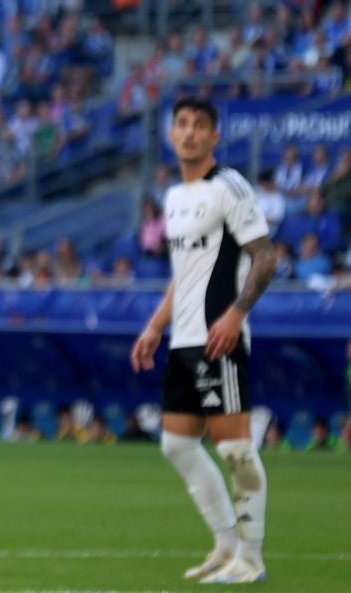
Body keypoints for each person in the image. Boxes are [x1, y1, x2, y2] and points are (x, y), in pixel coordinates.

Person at [130, 96, 275, 586]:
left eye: (198, 126)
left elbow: (265, 257)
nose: (188, 133)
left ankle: (252, 559)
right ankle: (225, 545)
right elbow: (184, 274)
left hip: (219, 337)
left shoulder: (228, 186)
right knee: (176, 444)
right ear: (171, 134)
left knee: (234, 449)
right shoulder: (173, 198)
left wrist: (236, 315)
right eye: (181, 124)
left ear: (214, 136)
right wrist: (154, 325)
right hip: (183, 340)